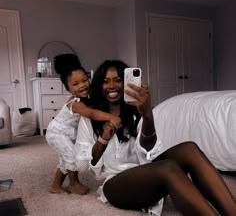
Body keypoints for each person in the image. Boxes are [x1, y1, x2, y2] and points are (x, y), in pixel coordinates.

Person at [75, 60, 236, 215]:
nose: (112, 86)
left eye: (118, 80)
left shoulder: (136, 110)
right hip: (114, 184)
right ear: (98, 85)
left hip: (147, 175)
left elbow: (148, 150)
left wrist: (147, 115)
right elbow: (83, 165)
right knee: (167, 167)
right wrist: (103, 139)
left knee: (189, 148)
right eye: (106, 81)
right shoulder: (89, 118)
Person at [45, 55, 121, 195]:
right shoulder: (75, 103)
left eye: (84, 80)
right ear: (68, 89)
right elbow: (91, 113)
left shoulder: (87, 97)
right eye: (75, 84)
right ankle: (74, 183)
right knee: (72, 158)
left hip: (68, 132)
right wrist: (111, 116)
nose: (82, 85)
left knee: (65, 160)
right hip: (57, 133)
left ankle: (55, 186)